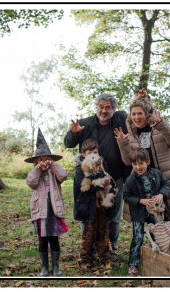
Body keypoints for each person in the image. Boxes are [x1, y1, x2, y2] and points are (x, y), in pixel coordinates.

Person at [64, 91, 146, 259]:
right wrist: (73, 133)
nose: (103, 111)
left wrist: (142, 99)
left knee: (113, 216)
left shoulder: (122, 120)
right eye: (101, 107)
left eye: (107, 108)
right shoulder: (85, 123)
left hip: (115, 178)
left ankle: (111, 249)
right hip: (89, 178)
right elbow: (68, 143)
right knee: (89, 215)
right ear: (97, 107)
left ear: (113, 109)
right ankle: (90, 250)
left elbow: (140, 117)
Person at [114, 92, 170, 221]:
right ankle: (153, 240)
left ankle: (166, 240)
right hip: (143, 181)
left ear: (147, 114)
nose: (136, 117)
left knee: (164, 215)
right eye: (133, 114)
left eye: (140, 113)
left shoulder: (158, 126)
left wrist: (161, 124)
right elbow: (127, 161)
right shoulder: (130, 134)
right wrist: (123, 143)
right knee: (146, 218)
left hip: (164, 175)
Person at [25, 128, 69, 277]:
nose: (43, 163)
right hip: (41, 213)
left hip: (53, 213)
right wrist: (37, 170)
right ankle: (44, 268)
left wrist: (53, 166)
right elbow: (30, 183)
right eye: (40, 160)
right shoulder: (34, 175)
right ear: (36, 162)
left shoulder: (54, 173)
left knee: (54, 239)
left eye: (46, 160)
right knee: (42, 240)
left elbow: (64, 175)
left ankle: (56, 268)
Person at [123, 147, 170, 276]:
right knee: (138, 238)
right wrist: (140, 201)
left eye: (140, 163)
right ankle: (133, 265)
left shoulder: (156, 174)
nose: (138, 167)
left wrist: (161, 194)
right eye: (134, 164)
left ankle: (158, 262)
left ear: (147, 162)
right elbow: (126, 196)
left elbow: (166, 184)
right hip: (139, 214)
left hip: (155, 213)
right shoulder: (131, 180)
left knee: (156, 237)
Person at [73, 138, 116, 269]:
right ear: (84, 153)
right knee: (88, 235)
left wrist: (107, 186)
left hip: (103, 206)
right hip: (88, 207)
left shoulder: (102, 166)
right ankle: (85, 260)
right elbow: (85, 188)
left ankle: (104, 258)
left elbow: (108, 182)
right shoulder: (80, 170)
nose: (95, 154)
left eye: (96, 152)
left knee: (103, 233)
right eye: (91, 152)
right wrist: (102, 185)